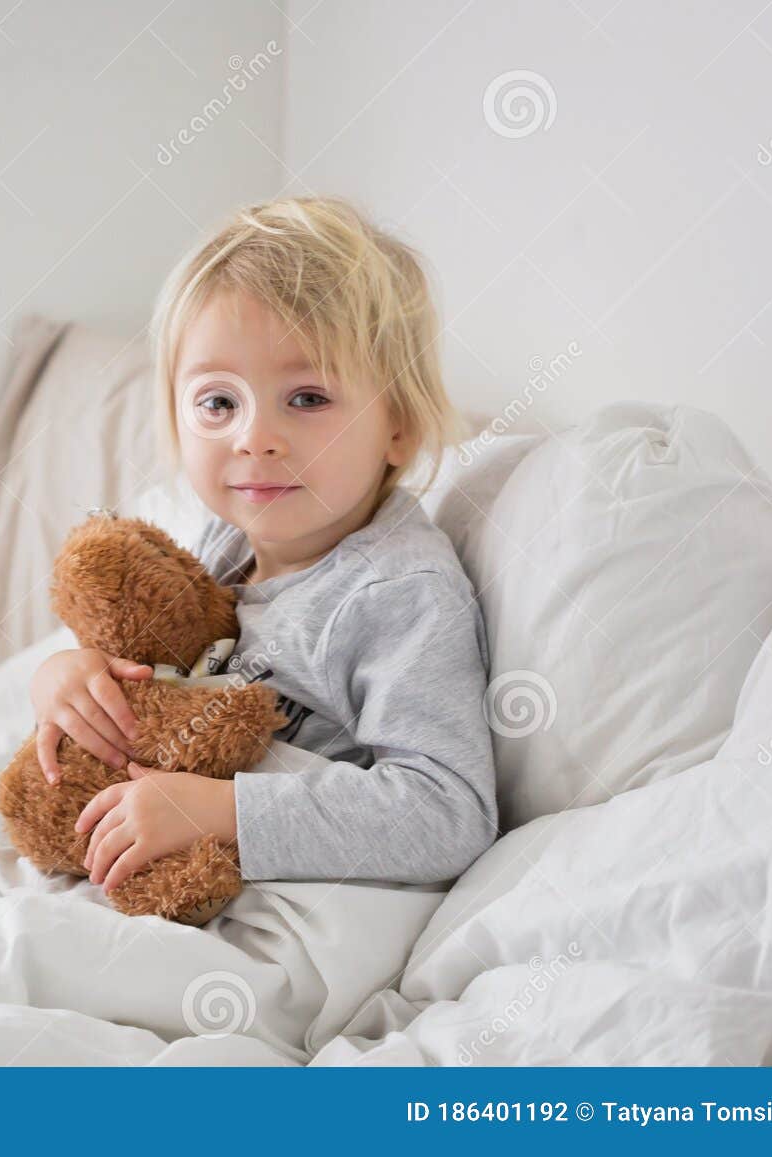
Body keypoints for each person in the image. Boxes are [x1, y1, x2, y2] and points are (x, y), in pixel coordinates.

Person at [29, 196, 498, 896]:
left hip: (309, 900)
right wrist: (69, 678)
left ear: (398, 427)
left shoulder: (395, 592)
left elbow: (448, 812)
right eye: (219, 402)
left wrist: (224, 813)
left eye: (307, 398)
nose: (254, 438)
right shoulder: (223, 546)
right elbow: (165, 669)